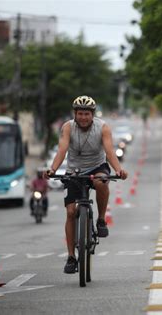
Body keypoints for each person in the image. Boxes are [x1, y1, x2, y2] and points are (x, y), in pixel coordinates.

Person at [45, 95, 128, 274]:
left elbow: (109, 150)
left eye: (87, 114)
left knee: (101, 182)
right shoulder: (67, 127)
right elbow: (62, 149)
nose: (83, 117)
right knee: (70, 212)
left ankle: (100, 220)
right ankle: (71, 257)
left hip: (97, 166)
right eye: (80, 113)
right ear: (75, 114)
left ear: (93, 114)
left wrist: (118, 169)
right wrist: (52, 169)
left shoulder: (103, 127)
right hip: (74, 170)